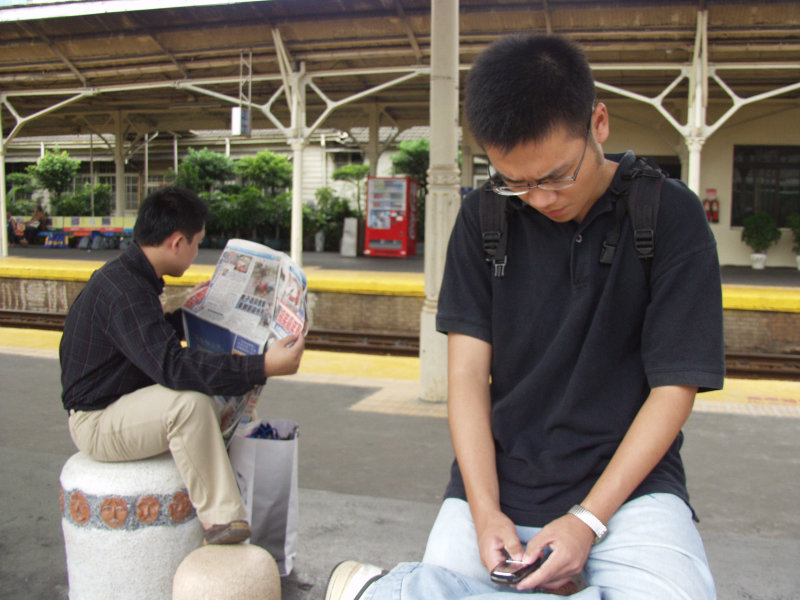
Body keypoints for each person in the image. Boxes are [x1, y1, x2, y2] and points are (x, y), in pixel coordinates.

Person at [325, 33, 724, 599]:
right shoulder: (483, 217)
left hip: (630, 490)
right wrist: (485, 512)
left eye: (557, 175)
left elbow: (674, 388)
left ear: (599, 123)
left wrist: (587, 520)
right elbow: (465, 377)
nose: (539, 198)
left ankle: (385, 591)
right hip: (497, 481)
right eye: (516, 182)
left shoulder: (667, 214)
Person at [60, 186, 305, 545]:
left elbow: (151, 339)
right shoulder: (123, 291)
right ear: (177, 242)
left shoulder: (131, 279)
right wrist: (262, 366)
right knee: (189, 406)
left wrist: (199, 313)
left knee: (214, 402)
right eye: (197, 243)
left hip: (123, 402)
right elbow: (171, 366)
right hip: (96, 420)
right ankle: (224, 522)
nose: (196, 254)